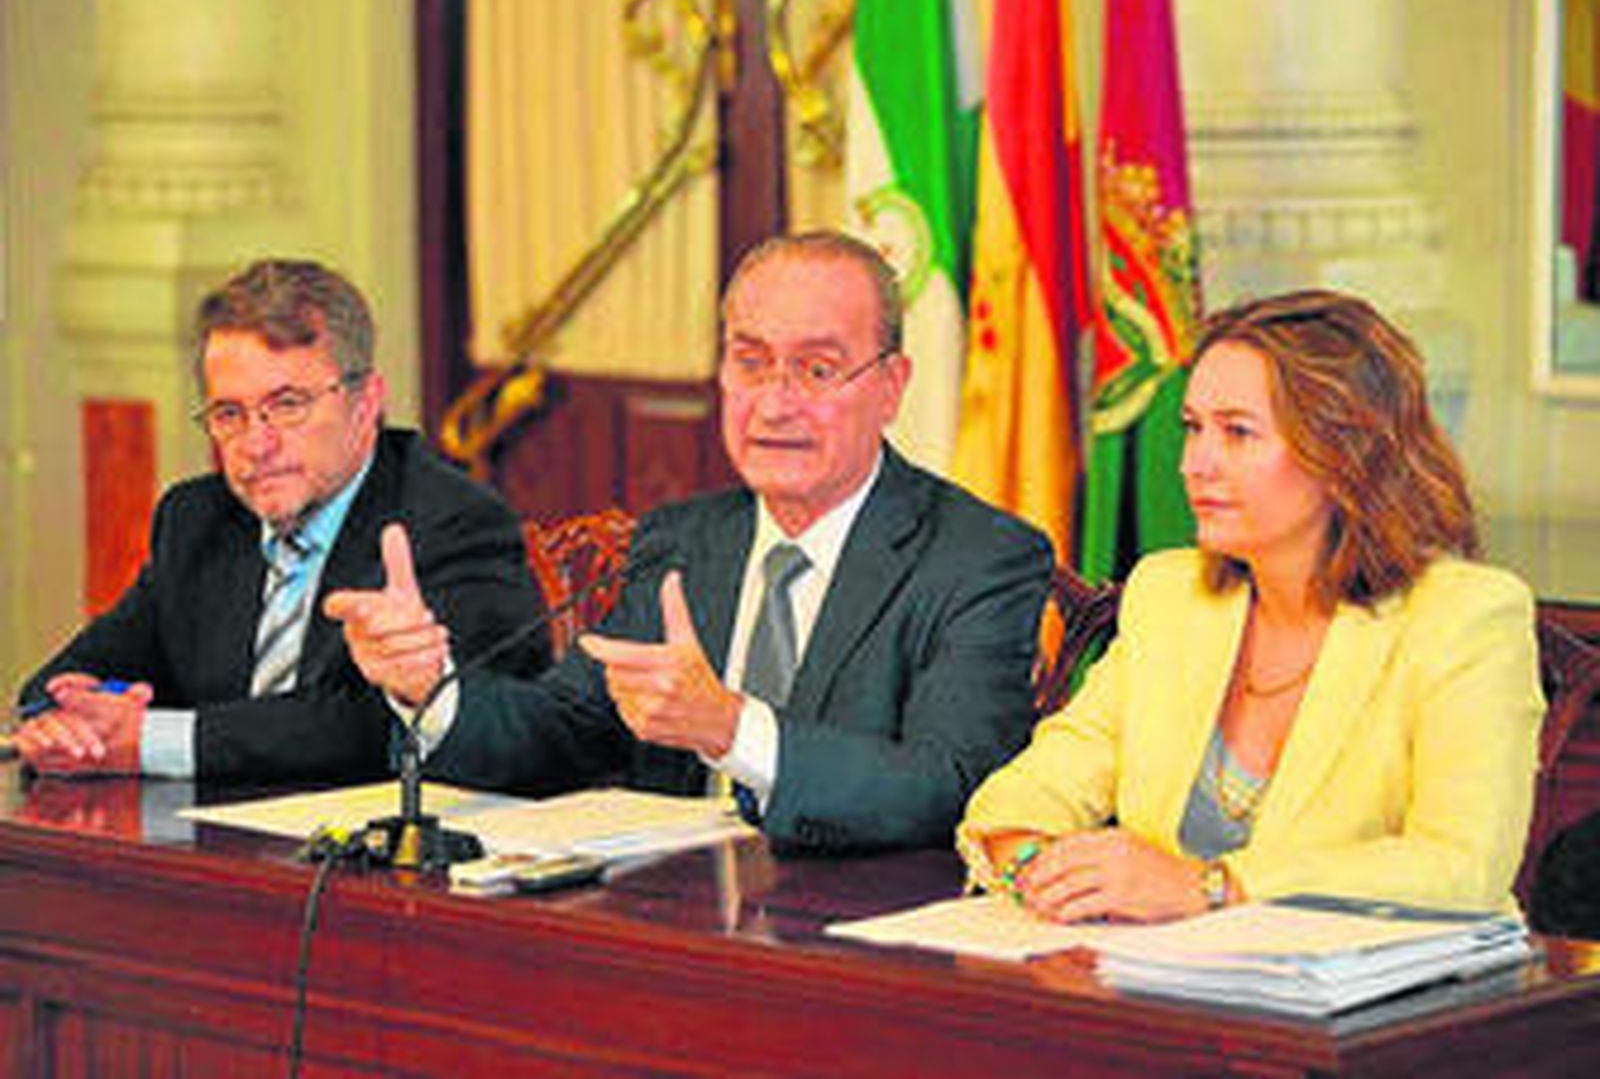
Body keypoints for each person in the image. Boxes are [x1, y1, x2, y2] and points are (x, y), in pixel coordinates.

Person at [328, 231, 1053, 853]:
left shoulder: (978, 557)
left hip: (854, 954)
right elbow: (565, 730)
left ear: (891, 386)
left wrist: (735, 730)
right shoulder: (685, 539)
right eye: (751, 361)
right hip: (674, 923)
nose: (774, 402)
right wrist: (429, 687)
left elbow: (955, 786)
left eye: (818, 369)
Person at [959, 290, 1545, 919]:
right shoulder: (1170, 599)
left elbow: (1462, 865)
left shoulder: (1467, 617)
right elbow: (1024, 796)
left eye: (1238, 432)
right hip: (1165, 987)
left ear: (1345, 452)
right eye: (1193, 428)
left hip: (1395, 1001)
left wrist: (1210, 886)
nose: (1194, 463)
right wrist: (1037, 872)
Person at [15, 259, 547, 783]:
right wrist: (63, 716)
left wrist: (148, 742)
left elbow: (376, 726)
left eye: (287, 405)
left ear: (366, 404)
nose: (255, 445)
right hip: (207, 846)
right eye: (229, 414)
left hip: (368, 859)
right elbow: (81, 668)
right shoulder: (198, 518)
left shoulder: (454, 523)